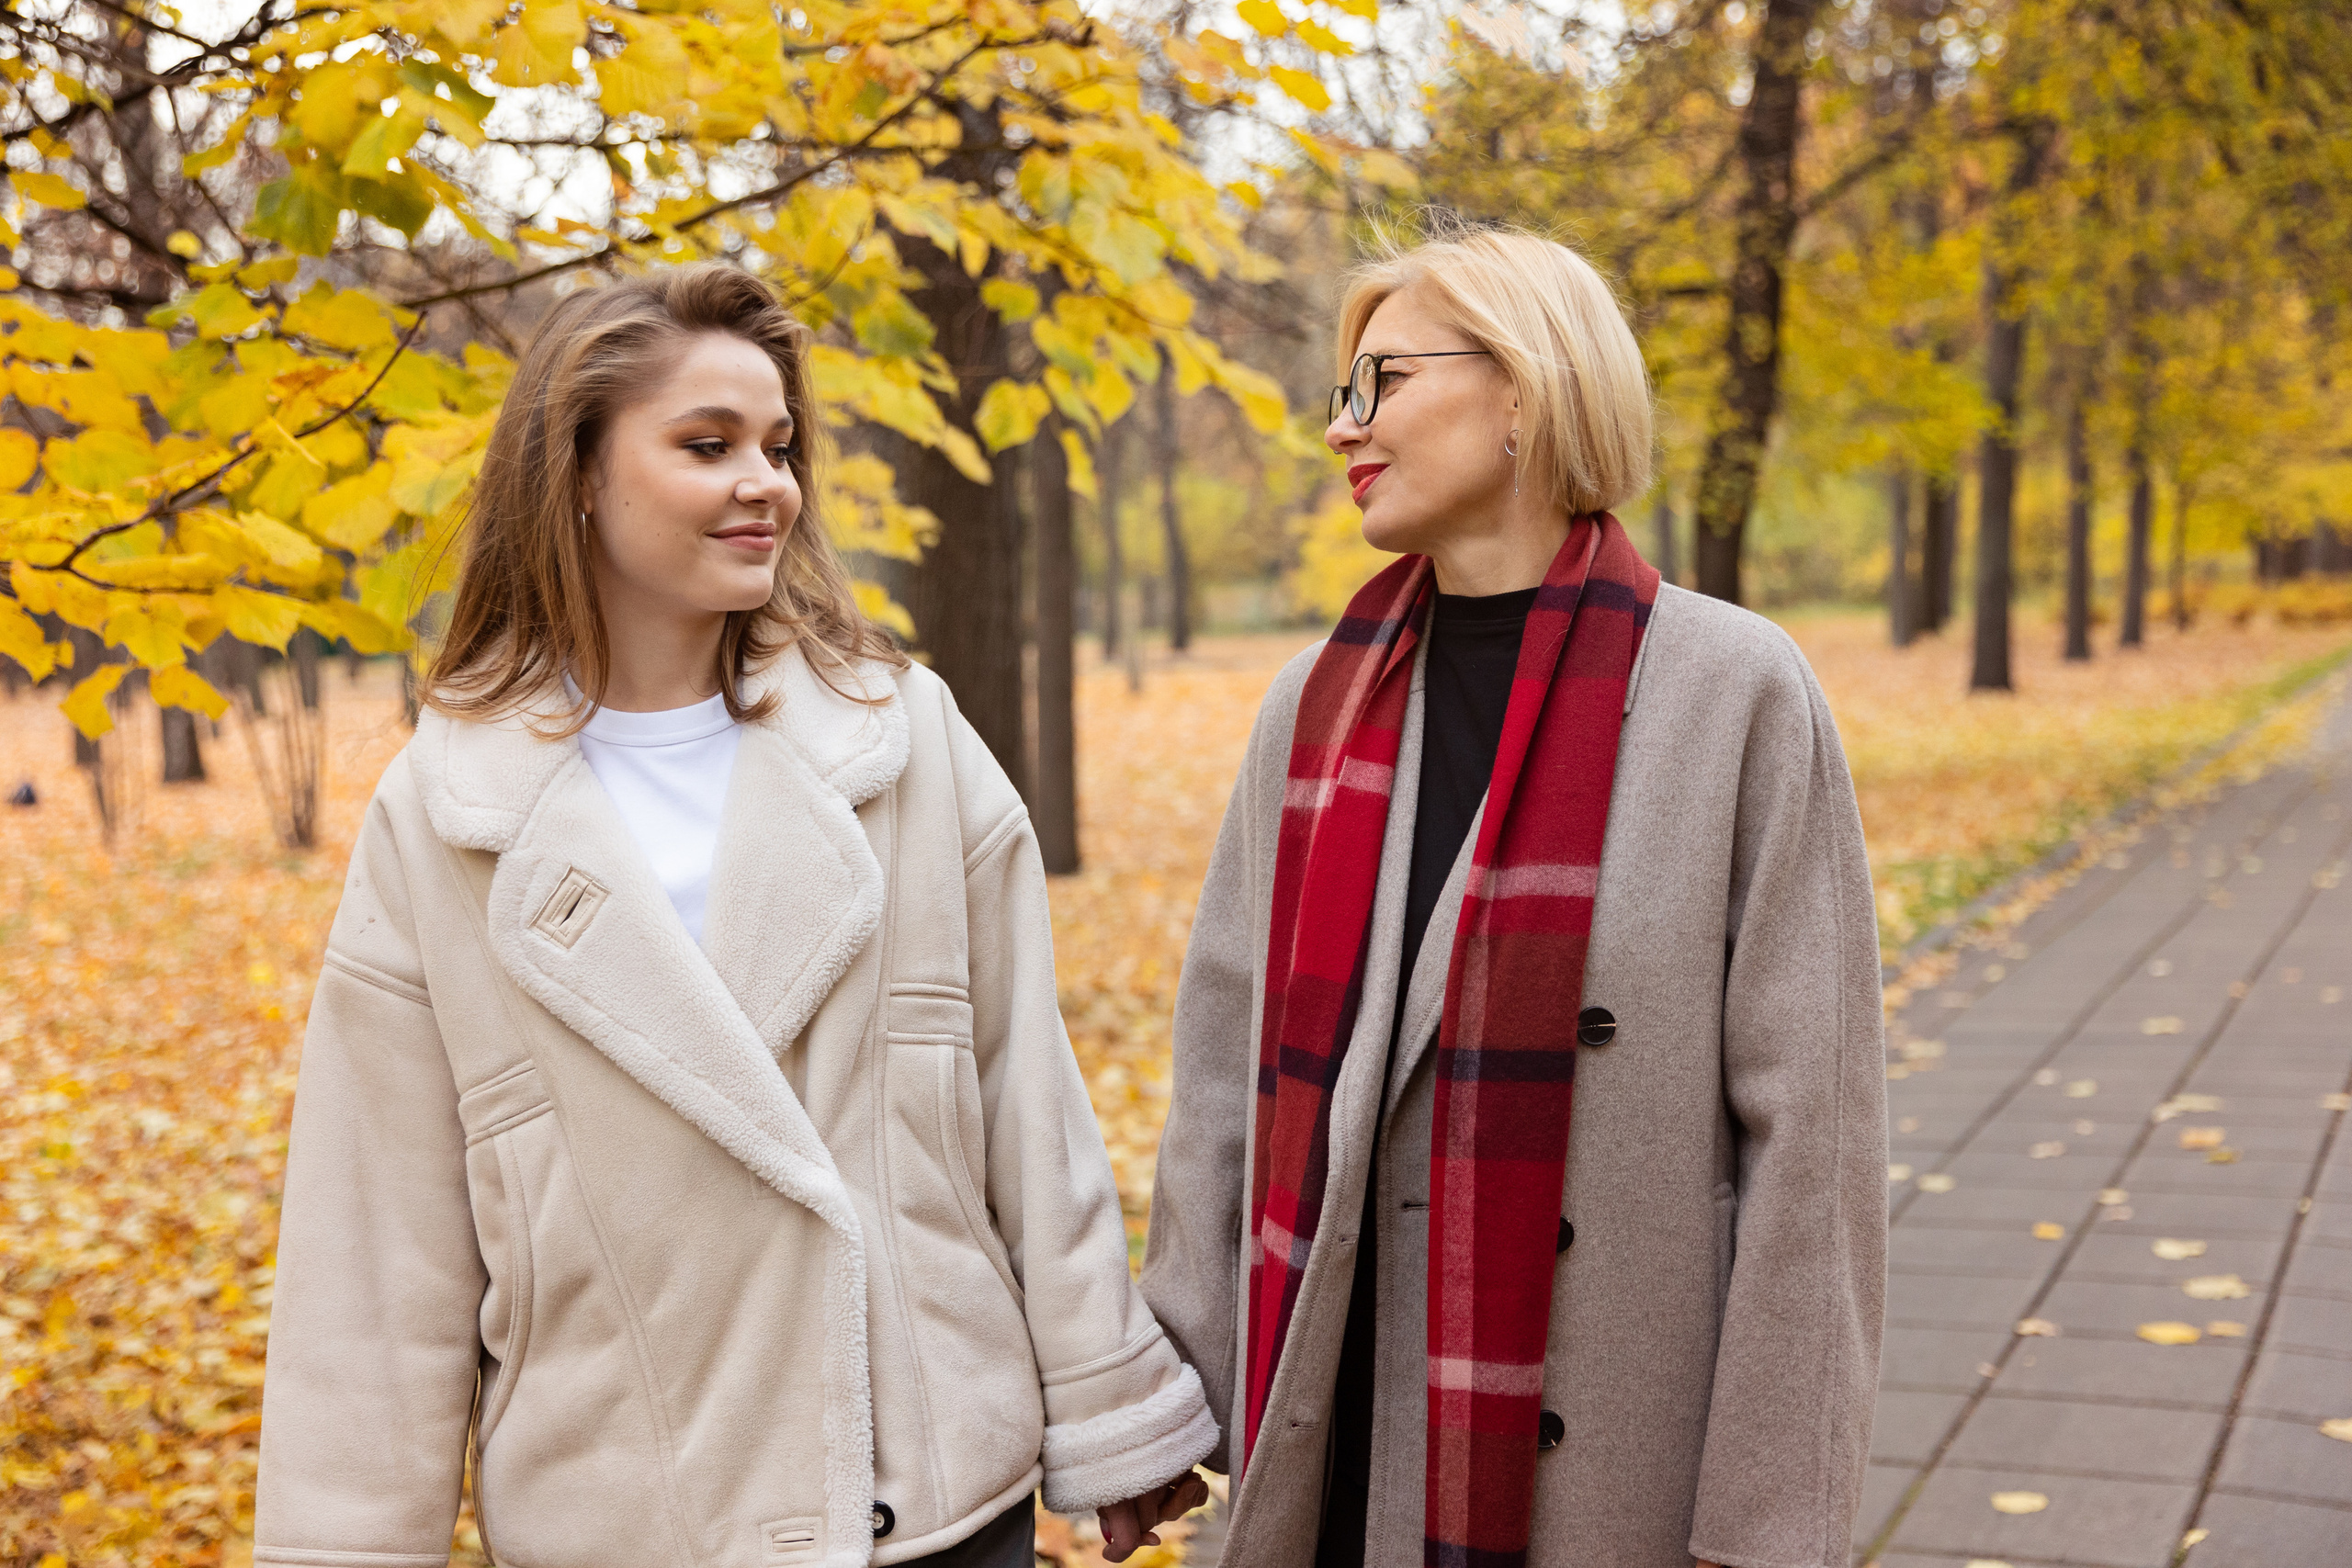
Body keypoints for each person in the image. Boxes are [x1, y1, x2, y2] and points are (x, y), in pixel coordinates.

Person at [253, 265, 1213, 1568]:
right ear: (579, 474)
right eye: (708, 445)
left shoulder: (900, 741)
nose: (767, 480)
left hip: (927, 1502)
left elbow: (1025, 1102)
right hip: (627, 1519)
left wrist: (1110, 1407)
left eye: (778, 444)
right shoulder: (445, 818)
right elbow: (375, 1251)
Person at [1137, 221, 1888, 1568]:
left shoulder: (1736, 692)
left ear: (1526, 391)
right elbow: (1217, 1079)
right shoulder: (1311, 709)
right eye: (1337, 393)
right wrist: (1166, 1401)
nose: (1341, 429)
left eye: (1383, 383)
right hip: (1333, 1414)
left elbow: (1815, 1141)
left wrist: (1773, 1517)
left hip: (1607, 1442)